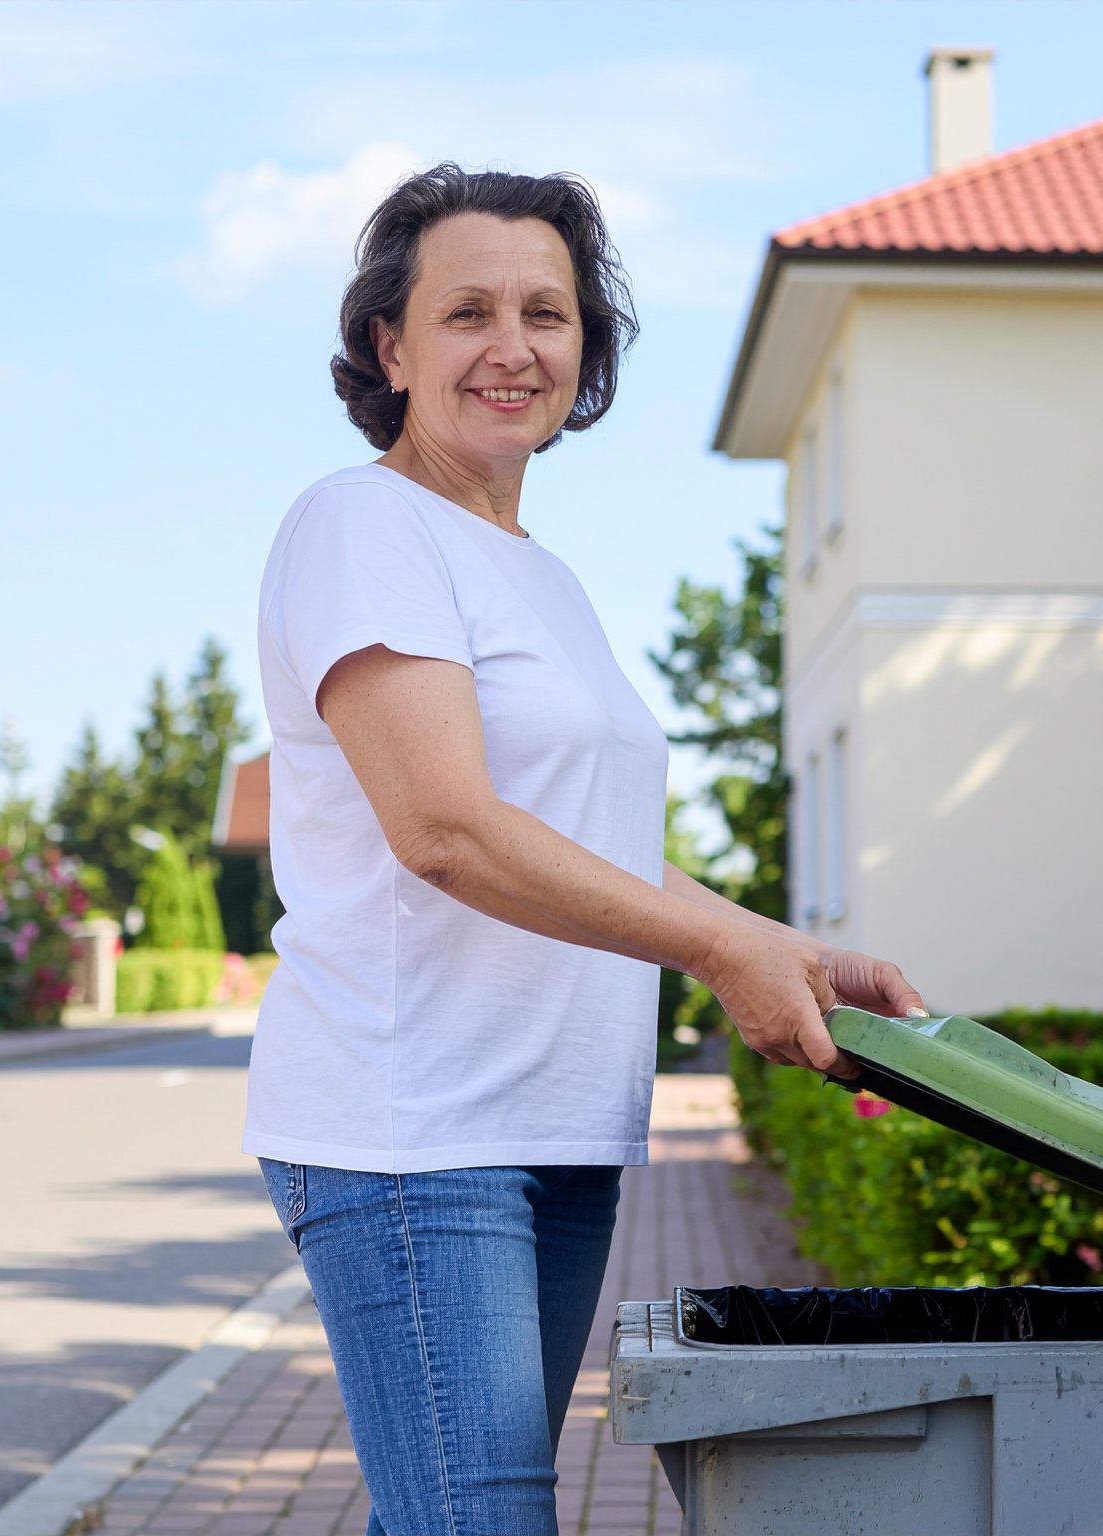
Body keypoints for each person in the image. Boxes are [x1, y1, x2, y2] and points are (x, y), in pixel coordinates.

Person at [244, 164, 926, 1535]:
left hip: (555, 1123)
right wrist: (719, 951)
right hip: (416, 1130)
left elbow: (587, 842)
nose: (512, 347)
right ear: (390, 346)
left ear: (585, 347)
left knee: (449, 1514)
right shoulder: (362, 523)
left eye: (546, 314)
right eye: (467, 313)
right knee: (478, 1519)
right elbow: (445, 830)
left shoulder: (541, 576)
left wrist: (786, 950)